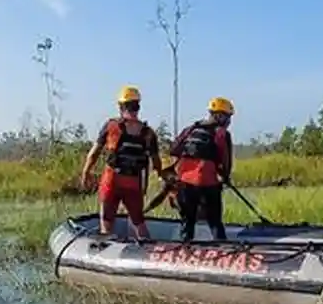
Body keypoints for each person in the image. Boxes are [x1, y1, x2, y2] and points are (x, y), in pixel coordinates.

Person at [80, 85, 164, 239]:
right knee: (138, 222)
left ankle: (106, 248)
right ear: (138, 106)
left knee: (106, 220)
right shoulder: (148, 133)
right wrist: (160, 174)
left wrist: (86, 173)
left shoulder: (111, 126)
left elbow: (94, 153)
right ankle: (148, 251)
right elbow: (156, 162)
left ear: (121, 106)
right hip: (134, 182)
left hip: (112, 180)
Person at [170, 97, 235, 242]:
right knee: (215, 222)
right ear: (219, 115)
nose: (229, 121)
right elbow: (226, 161)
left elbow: (174, 149)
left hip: (184, 183)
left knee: (188, 222)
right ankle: (223, 248)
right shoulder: (222, 134)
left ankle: (185, 248)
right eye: (227, 117)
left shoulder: (190, 129)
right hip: (207, 183)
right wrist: (225, 177)